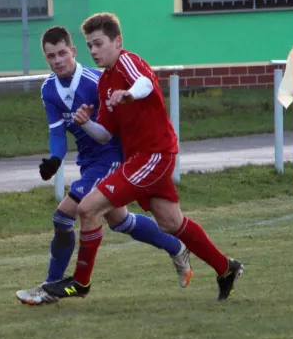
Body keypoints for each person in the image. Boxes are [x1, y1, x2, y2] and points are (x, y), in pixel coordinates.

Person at [41, 14, 244, 302]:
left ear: (118, 41)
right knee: (171, 222)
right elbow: (105, 135)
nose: (95, 51)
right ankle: (226, 269)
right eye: (90, 46)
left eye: (99, 44)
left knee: (87, 209)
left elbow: (146, 84)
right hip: (140, 157)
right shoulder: (104, 83)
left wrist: (129, 94)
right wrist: (86, 122)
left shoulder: (127, 61)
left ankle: (80, 282)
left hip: (153, 155)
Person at [15, 26, 193, 305]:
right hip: (89, 162)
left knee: (63, 216)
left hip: (111, 157)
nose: (58, 60)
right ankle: (176, 248)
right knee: (119, 221)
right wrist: (54, 159)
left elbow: (123, 119)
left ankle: (50, 288)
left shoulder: (95, 80)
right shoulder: (48, 89)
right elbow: (57, 132)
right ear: (46, 59)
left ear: (73, 52)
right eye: (51, 56)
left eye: (63, 53)